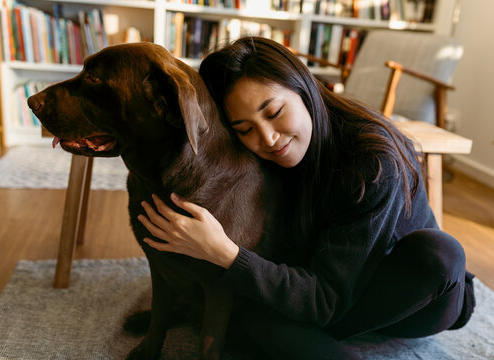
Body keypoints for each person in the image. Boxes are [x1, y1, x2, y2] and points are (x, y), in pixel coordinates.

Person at [137, 36, 475, 359]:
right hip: (331, 289)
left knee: (441, 253)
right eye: (244, 129)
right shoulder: (264, 158)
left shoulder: (372, 161)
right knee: (258, 314)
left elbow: (325, 301)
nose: (267, 138)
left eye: (273, 112)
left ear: (304, 87)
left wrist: (224, 253)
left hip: (411, 297)